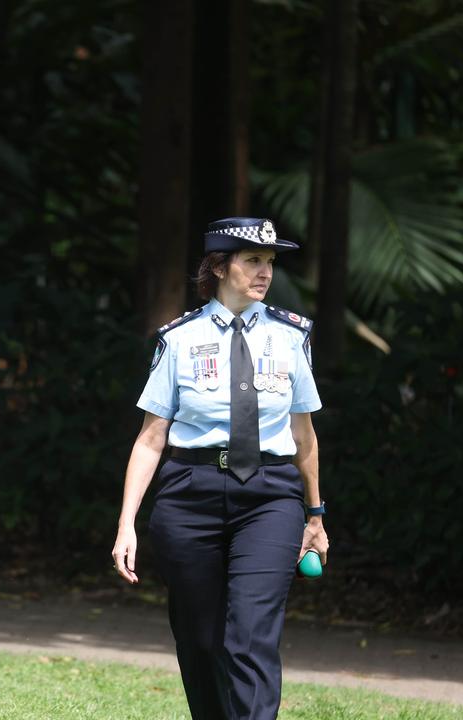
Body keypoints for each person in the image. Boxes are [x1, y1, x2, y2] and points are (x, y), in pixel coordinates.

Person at [112, 217, 330, 719]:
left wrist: (315, 514)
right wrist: (127, 524)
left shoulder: (293, 337)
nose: (265, 273)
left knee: (250, 635)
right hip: (190, 493)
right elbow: (150, 439)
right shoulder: (180, 339)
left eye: (270, 263)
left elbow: (304, 437)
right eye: (253, 260)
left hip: (271, 496)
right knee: (200, 639)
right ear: (218, 266)